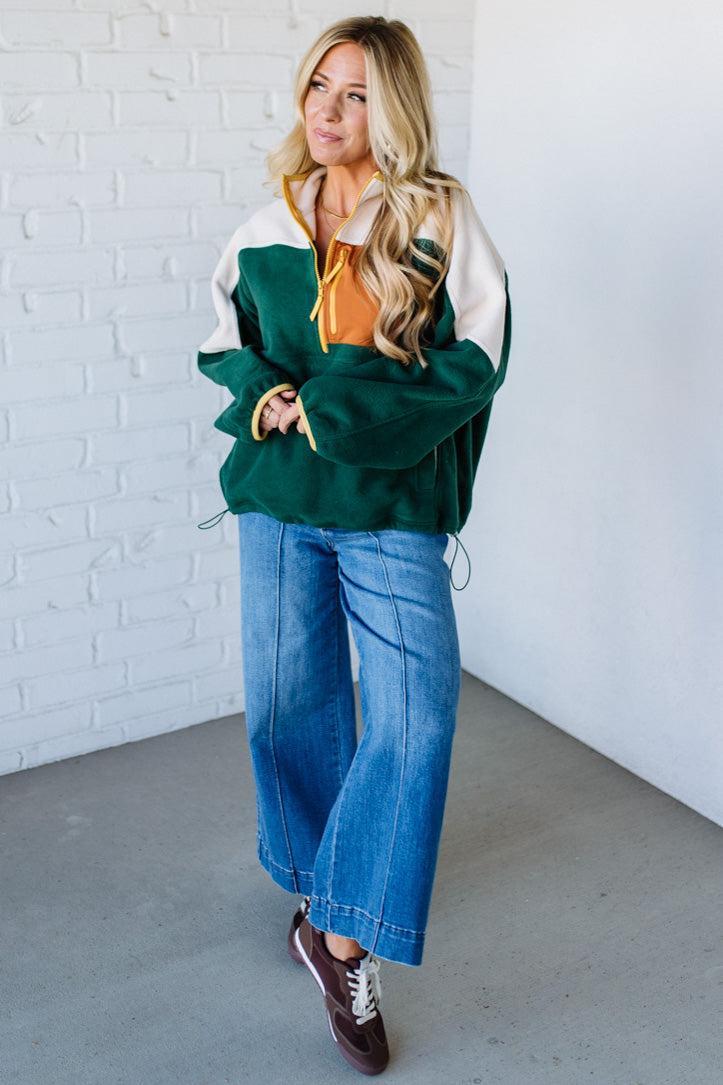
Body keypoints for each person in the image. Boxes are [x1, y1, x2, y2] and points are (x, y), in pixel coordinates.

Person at [196, 15, 512, 1076]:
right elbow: (222, 342)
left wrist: (330, 408)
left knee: (416, 712)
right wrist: (267, 394)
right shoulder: (268, 222)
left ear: (398, 108)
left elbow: (476, 361)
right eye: (318, 87)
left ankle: (340, 939)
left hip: (388, 505)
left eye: (358, 93)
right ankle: (317, 891)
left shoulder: (436, 216)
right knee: (289, 705)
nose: (327, 111)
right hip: (279, 501)